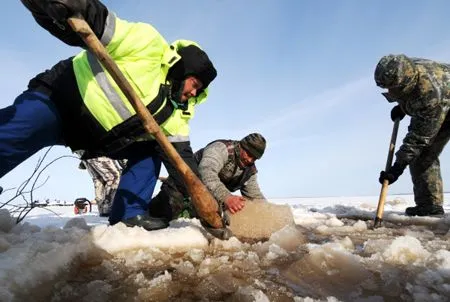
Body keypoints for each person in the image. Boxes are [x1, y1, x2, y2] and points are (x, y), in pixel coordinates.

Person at [0, 0, 217, 231]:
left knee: (153, 149)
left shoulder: (179, 112)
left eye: (199, 91)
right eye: (195, 84)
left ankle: (128, 216)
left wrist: (205, 202)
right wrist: (78, 6)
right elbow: (100, 23)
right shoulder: (148, 45)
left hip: (95, 138)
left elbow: (182, 163)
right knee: (13, 133)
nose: (194, 93)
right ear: (184, 69)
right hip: (61, 101)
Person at [374, 54, 448, 216]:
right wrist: (404, 107)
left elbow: (417, 140)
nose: (390, 92)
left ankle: (430, 205)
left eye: (394, 88)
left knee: (420, 151)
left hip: (443, 102)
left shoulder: (430, 95)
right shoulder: (407, 68)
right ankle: (429, 205)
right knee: (423, 154)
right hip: (441, 99)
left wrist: (396, 168)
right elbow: (408, 93)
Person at [150, 133, 267, 221]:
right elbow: (207, 173)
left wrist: (270, 213)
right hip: (181, 187)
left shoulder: (249, 170)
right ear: (242, 146)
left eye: (255, 158)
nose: (250, 160)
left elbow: (255, 196)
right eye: (249, 154)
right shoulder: (220, 149)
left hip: (208, 201)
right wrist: (227, 197)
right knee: (161, 211)